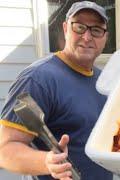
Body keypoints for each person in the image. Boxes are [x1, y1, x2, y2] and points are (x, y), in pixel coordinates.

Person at [0, 1, 113, 179]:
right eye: (80, 27)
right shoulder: (37, 79)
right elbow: (5, 150)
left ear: (105, 38)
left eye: (96, 30)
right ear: (66, 28)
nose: (87, 37)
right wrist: (47, 162)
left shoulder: (104, 81)